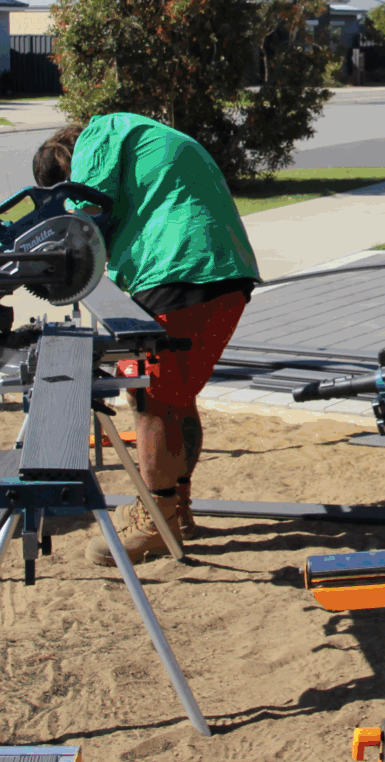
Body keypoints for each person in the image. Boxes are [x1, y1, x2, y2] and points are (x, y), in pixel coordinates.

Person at [31, 113, 261, 565]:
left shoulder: (99, 137)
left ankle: (156, 519)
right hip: (223, 271)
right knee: (177, 396)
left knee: (149, 399)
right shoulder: (137, 138)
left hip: (177, 267)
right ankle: (177, 507)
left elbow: (83, 217)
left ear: (64, 166)